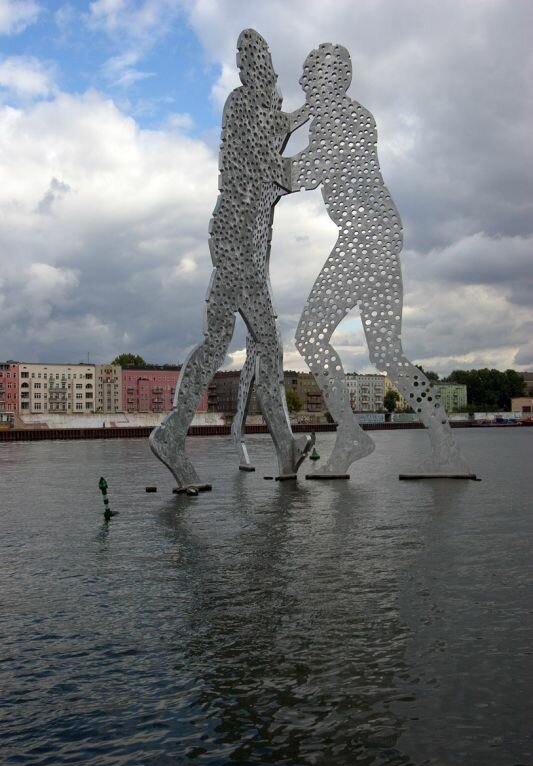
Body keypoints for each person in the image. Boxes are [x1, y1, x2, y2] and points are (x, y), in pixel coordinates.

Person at [286, 43, 469, 475]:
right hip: (378, 236)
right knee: (387, 353)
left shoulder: (343, 119)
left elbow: (306, 174)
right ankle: (445, 448)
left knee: (310, 337)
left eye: (311, 77)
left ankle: (350, 435)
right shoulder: (341, 117)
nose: (303, 84)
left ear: (333, 81)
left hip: (365, 239)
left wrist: (258, 160)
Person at [150, 29, 311, 488]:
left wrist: (304, 114)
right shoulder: (242, 105)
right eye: (271, 70)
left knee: (221, 341)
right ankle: (284, 449)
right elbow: (273, 162)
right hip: (237, 246)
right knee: (267, 346)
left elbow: (276, 141)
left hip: (241, 248)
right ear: (255, 70)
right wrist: (312, 116)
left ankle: (174, 434)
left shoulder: (256, 110)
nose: (276, 79)